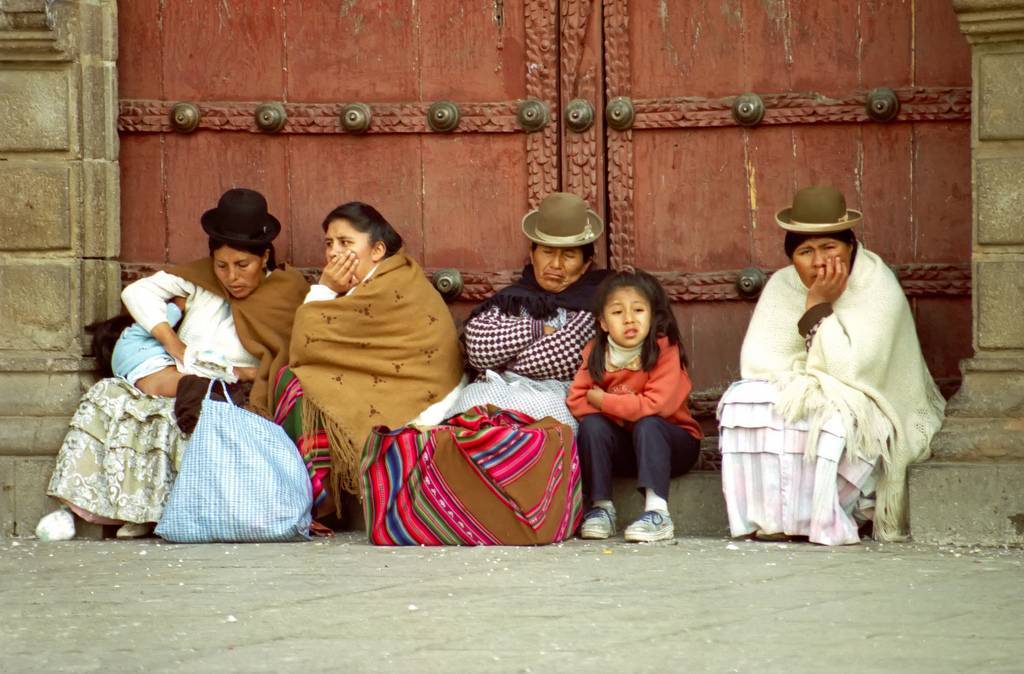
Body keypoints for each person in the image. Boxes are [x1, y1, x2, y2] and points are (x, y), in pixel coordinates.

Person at [40, 188, 309, 540]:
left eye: (243, 265)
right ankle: (113, 511)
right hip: (180, 371)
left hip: (229, 389)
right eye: (222, 265)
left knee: (180, 409)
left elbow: (291, 354)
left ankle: (159, 512)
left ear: (265, 257)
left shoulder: (287, 290)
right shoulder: (199, 281)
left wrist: (241, 373)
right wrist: (174, 343)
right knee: (111, 396)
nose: (232, 277)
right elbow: (136, 293)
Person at [718, 185, 945, 545]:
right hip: (805, 389)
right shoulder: (781, 284)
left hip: (869, 401)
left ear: (850, 247)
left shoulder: (876, 283)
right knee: (746, 402)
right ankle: (777, 518)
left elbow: (853, 371)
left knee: (834, 416)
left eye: (830, 248)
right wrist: (807, 378)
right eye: (806, 252)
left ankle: (828, 515)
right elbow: (759, 363)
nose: (819, 262)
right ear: (792, 258)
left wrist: (817, 307)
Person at [272, 202, 463, 523]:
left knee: (294, 382)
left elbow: (307, 342)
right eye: (329, 244)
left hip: (422, 402)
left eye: (346, 244)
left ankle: (319, 503)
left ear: (377, 250)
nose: (334, 254)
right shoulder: (373, 284)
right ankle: (313, 496)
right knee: (293, 380)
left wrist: (327, 288)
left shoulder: (392, 285)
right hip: (398, 389)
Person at [451, 192, 610, 429]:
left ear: (586, 264)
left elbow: (562, 356)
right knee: (470, 401)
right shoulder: (512, 298)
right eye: (547, 252)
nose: (555, 265)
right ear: (532, 255)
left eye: (568, 256)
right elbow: (478, 349)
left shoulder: (595, 304)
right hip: (494, 388)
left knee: (544, 415)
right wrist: (536, 329)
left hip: (556, 394)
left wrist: (504, 362)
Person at [567, 270, 703, 542]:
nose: (629, 319)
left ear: (652, 315)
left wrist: (605, 401)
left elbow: (656, 405)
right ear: (603, 323)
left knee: (648, 423)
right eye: (617, 313)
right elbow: (577, 400)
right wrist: (624, 413)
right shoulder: (596, 351)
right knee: (593, 426)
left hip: (674, 445)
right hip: (628, 449)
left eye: (638, 310)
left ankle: (657, 513)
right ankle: (601, 509)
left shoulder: (664, 349)